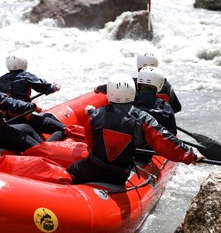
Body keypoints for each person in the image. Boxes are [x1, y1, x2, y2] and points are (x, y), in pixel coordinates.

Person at [67, 73, 203, 185]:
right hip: (118, 176)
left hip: (91, 169)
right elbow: (164, 140)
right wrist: (191, 156)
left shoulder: (95, 115)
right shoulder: (143, 118)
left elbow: (90, 144)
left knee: (67, 173)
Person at [0, 53, 65, 139]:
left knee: (49, 116)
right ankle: (47, 147)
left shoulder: (0, 80)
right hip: (26, 116)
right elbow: (45, 87)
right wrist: (55, 87)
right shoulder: (26, 76)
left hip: (10, 119)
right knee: (63, 130)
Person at [94, 52, 182, 114]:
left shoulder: (133, 83)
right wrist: (165, 115)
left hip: (138, 123)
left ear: (138, 64)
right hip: (161, 122)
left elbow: (112, 87)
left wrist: (97, 88)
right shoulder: (167, 86)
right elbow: (177, 108)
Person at [133, 66, 177, 135]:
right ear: (160, 83)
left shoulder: (130, 104)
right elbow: (173, 135)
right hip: (156, 143)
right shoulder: (166, 108)